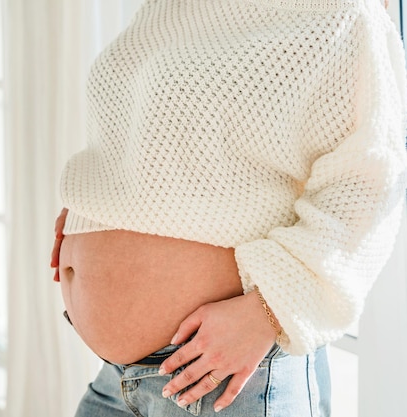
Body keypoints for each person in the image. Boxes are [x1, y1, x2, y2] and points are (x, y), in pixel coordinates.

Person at [50, 0, 407, 415]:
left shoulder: (341, 16)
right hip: (115, 379)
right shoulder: (168, 7)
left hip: (229, 381)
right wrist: (92, 209)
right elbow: (149, 137)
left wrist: (268, 313)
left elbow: (367, 188)